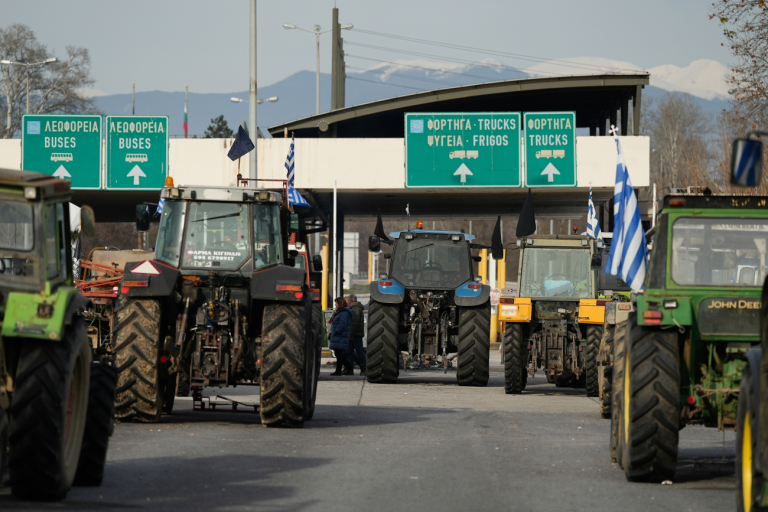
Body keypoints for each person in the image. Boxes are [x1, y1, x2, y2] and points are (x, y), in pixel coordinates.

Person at [329, 297, 353, 376]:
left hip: (340, 336)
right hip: (338, 336)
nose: (335, 305)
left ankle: (340, 370)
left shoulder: (343, 313)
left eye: (336, 303)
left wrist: (335, 332)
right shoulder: (340, 312)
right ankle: (348, 368)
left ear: (340, 304)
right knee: (339, 354)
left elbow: (342, 324)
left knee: (339, 355)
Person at [347, 294, 367, 376]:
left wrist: (351, 334)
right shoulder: (356, 308)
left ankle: (364, 369)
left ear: (350, 301)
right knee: (350, 351)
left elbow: (354, 324)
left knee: (359, 352)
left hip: (356, 335)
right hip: (355, 334)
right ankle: (349, 369)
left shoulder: (356, 309)